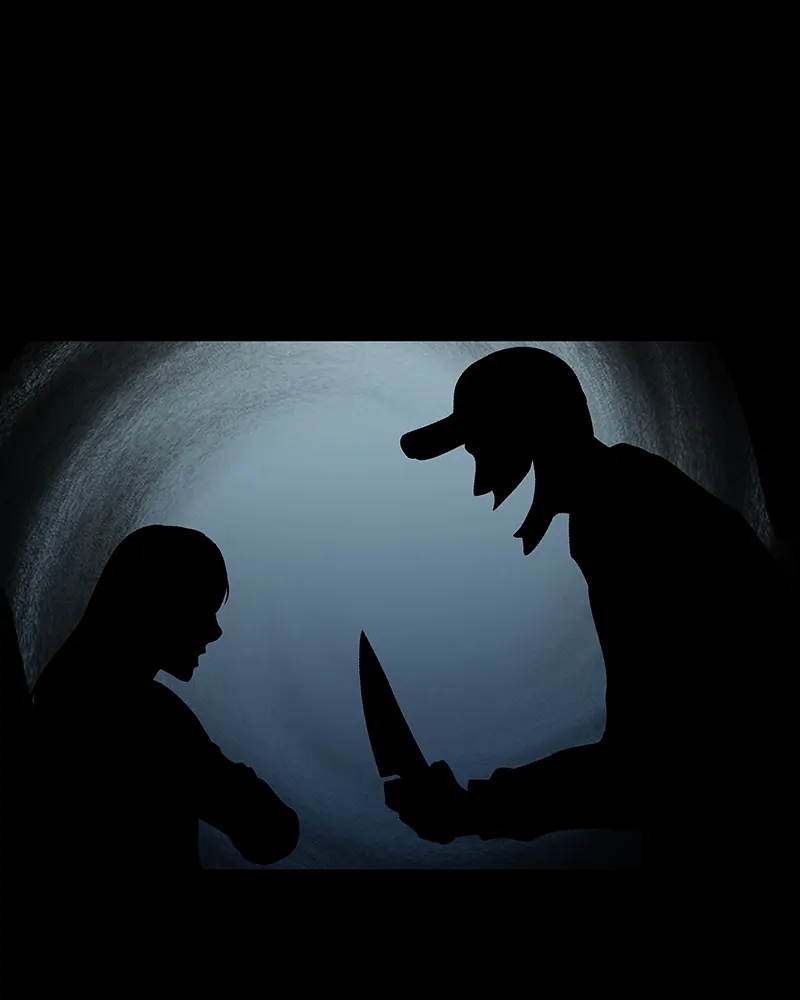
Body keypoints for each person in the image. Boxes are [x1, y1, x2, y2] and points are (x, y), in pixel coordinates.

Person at [385, 347, 792, 864]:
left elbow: (648, 766)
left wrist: (475, 810)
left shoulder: (621, 508)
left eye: (477, 440)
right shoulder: (626, 491)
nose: (475, 462)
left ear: (527, 427)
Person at [27, 525, 299, 873]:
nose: (216, 631)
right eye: (204, 609)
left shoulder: (60, 689)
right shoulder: (150, 720)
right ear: (160, 607)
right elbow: (274, 836)